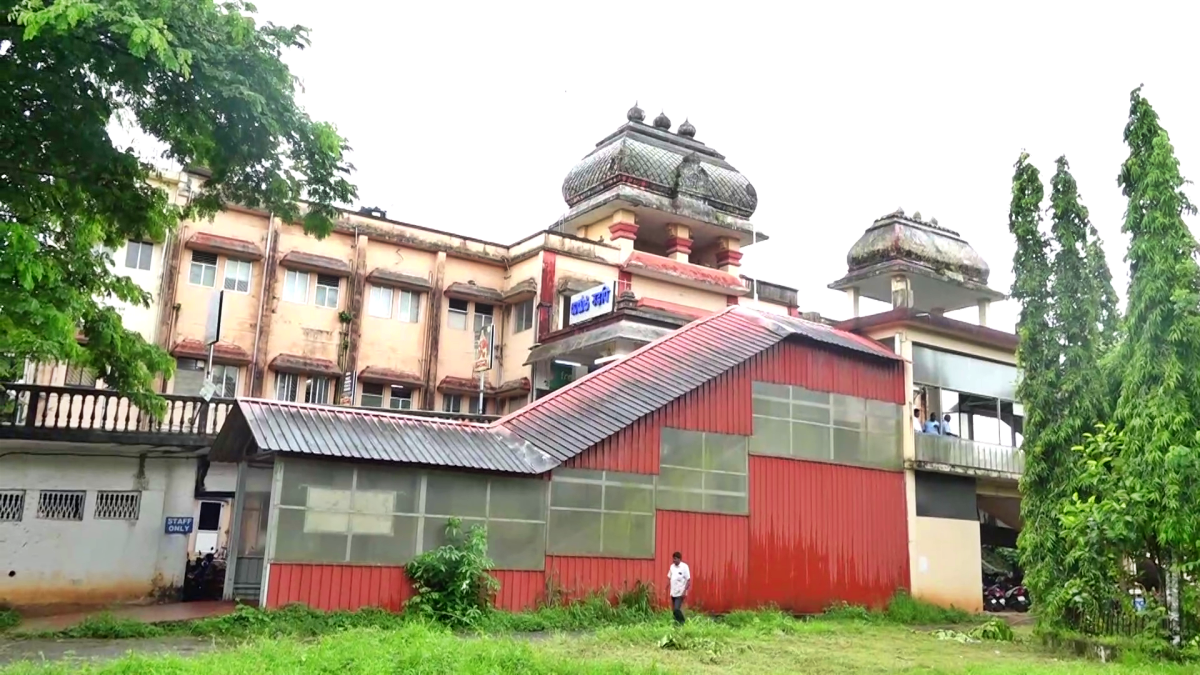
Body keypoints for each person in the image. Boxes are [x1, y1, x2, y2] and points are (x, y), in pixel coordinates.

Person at [668, 551, 691, 624]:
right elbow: (669, 577)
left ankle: (682, 622)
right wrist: (665, 589)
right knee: (674, 610)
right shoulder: (672, 567)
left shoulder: (684, 567)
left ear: (679, 559)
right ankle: (676, 623)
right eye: (673, 559)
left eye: (675, 559)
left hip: (680, 592)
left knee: (676, 609)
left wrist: (684, 591)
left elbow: (688, 581)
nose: (673, 560)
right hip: (673, 592)